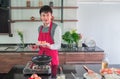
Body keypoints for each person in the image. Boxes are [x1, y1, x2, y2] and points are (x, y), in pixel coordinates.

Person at [36, 5, 62, 78]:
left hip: (52, 58)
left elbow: (58, 45)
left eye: (48, 15)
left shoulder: (56, 28)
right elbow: (40, 42)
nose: (46, 18)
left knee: (52, 77)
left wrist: (49, 46)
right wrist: (36, 46)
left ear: (51, 16)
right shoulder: (39, 28)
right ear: (40, 17)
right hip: (41, 59)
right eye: (43, 15)